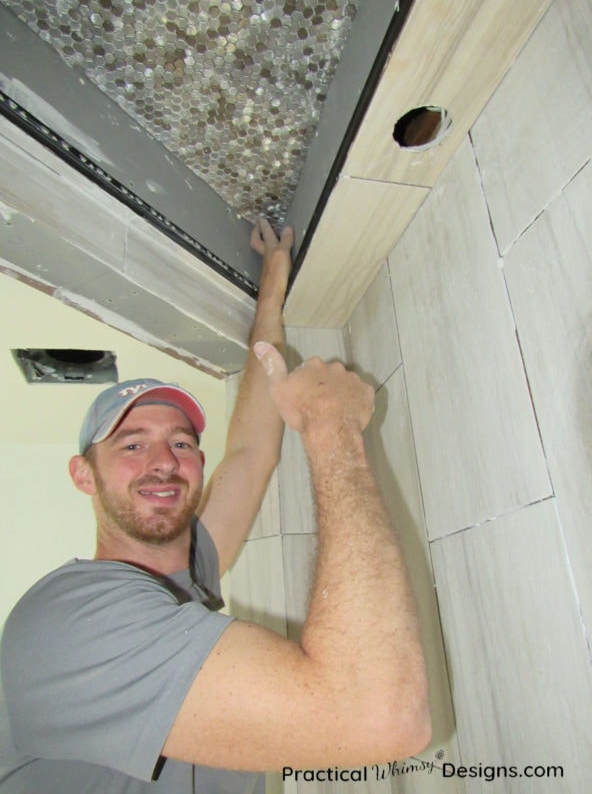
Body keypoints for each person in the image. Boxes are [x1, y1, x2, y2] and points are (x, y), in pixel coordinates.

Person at [0, 218, 431, 793]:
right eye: (132, 444)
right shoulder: (69, 620)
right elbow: (380, 717)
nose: (164, 460)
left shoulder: (187, 572)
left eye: (182, 443)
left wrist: (272, 288)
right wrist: (333, 429)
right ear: (84, 475)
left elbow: (251, 451)